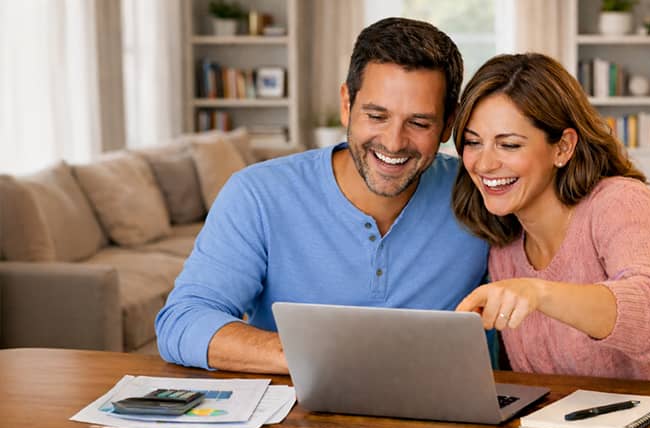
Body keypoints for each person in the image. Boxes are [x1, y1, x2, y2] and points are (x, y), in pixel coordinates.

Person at [155, 18, 488, 374]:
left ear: (448, 124)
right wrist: (320, 356)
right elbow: (183, 322)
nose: (393, 142)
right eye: (376, 116)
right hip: (297, 414)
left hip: (438, 418)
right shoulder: (257, 194)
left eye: (419, 123)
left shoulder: (480, 193)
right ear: (347, 103)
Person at [452, 53, 650, 386]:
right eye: (472, 142)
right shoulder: (505, 248)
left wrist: (538, 293)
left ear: (563, 147)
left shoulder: (621, 203)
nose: (483, 164)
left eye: (508, 144)